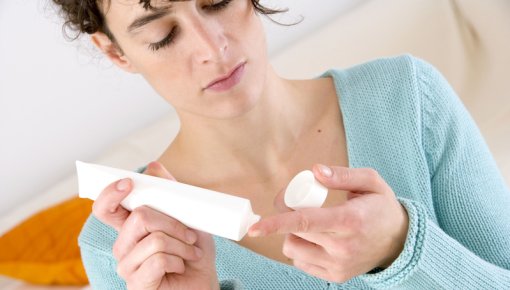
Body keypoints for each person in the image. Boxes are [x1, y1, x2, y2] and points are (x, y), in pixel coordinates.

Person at [51, 0, 510, 289]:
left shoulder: (407, 96)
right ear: (115, 52)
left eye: (217, 1)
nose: (213, 46)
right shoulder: (126, 244)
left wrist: (403, 246)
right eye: (162, 34)